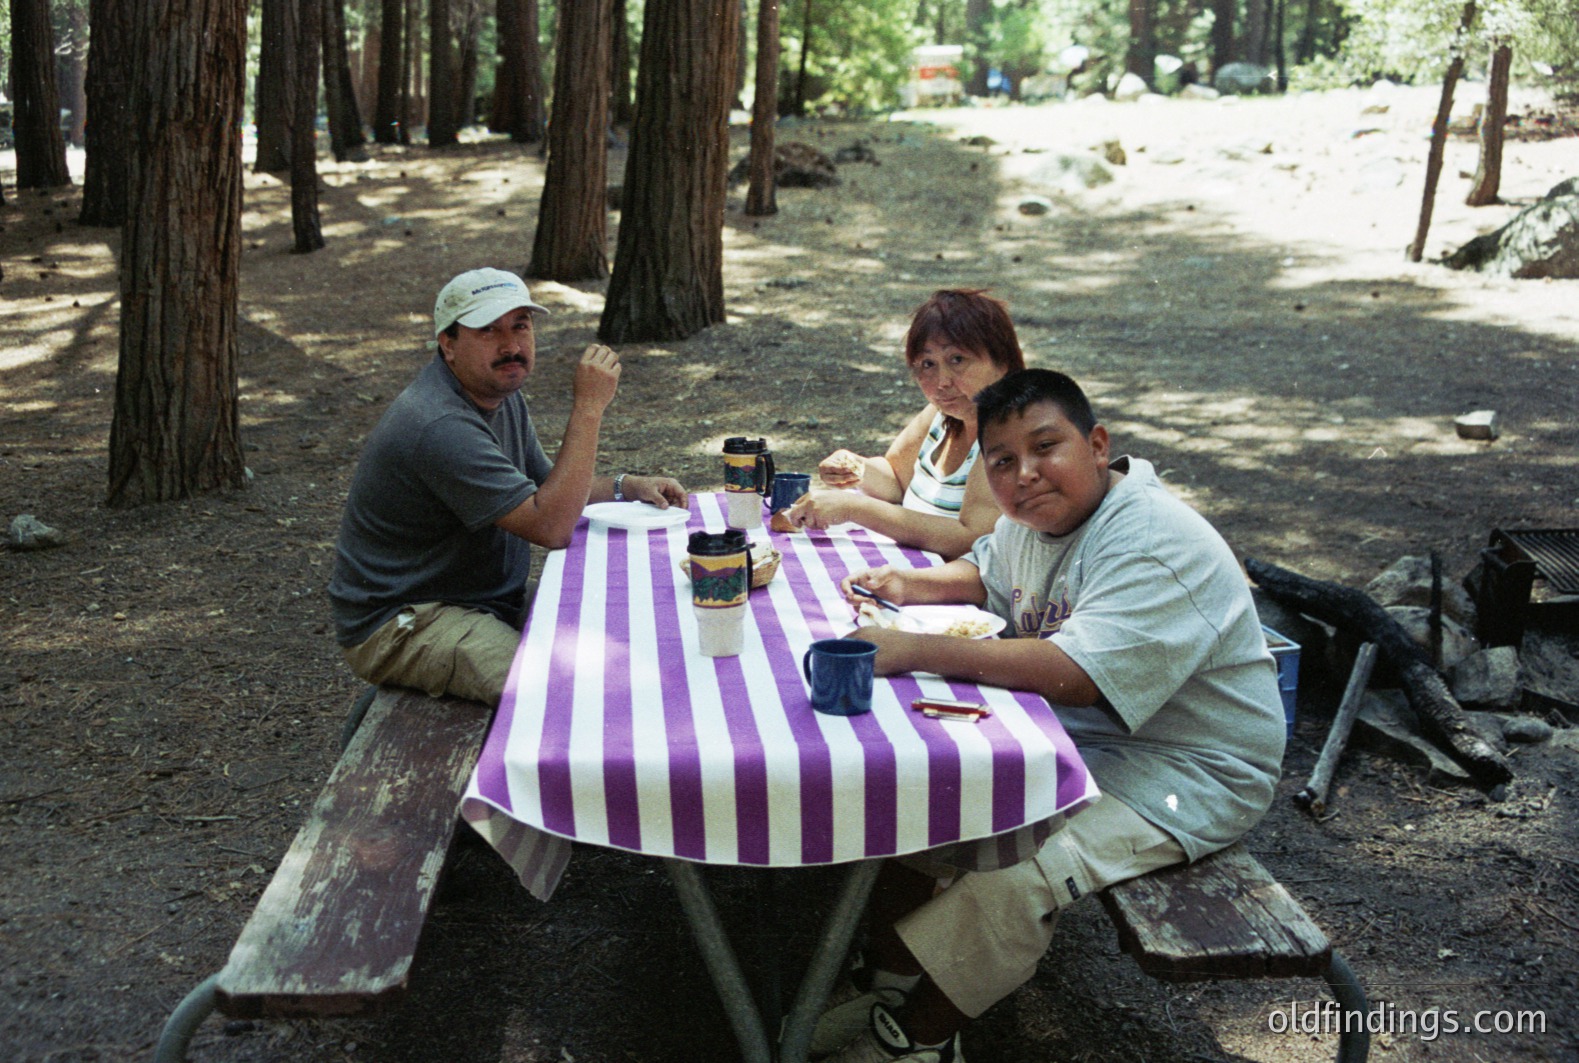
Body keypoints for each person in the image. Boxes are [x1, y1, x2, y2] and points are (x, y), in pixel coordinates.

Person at [817, 368, 1286, 1063]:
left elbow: (1075, 674)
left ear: (1096, 444)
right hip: (1082, 740)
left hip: (1190, 770)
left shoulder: (1151, 539)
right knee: (928, 800)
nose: (1025, 474)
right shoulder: (1035, 518)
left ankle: (915, 1038)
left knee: (1016, 874)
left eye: (1045, 447)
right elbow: (987, 567)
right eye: (1002, 461)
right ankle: (885, 977)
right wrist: (910, 583)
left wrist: (913, 646)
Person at [329, 268, 686, 705]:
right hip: (408, 619)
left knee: (624, 617)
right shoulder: (441, 424)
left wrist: (623, 485)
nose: (511, 346)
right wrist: (590, 408)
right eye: (488, 331)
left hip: (481, 600)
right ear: (448, 344)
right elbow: (551, 526)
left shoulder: (498, 394)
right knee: (563, 697)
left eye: (521, 325)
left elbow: (545, 487)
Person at [784, 289, 1025, 560]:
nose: (942, 381)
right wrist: (856, 466)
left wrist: (854, 508)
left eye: (957, 360)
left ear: (1002, 360)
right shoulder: (941, 415)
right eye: (927, 364)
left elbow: (970, 539)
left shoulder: (1007, 432)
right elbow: (896, 480)